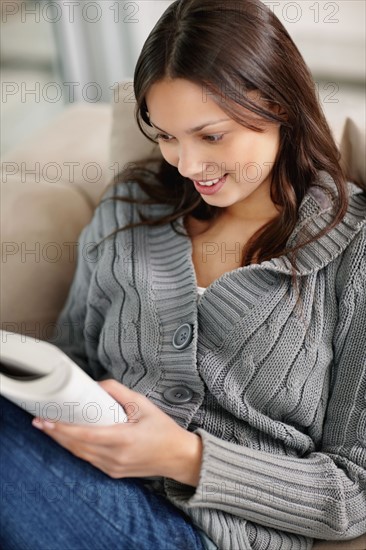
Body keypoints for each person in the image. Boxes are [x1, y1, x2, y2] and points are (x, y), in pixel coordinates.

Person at [1, 1, 365, 549]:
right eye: (167, 136)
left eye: (211, 137)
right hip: (75, 484)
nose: (188, 165)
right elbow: (69, 359)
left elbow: (354, 493)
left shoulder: (353, 251)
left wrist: (183, 457)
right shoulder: (129, 206)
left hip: (209, 533)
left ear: (280, 107)